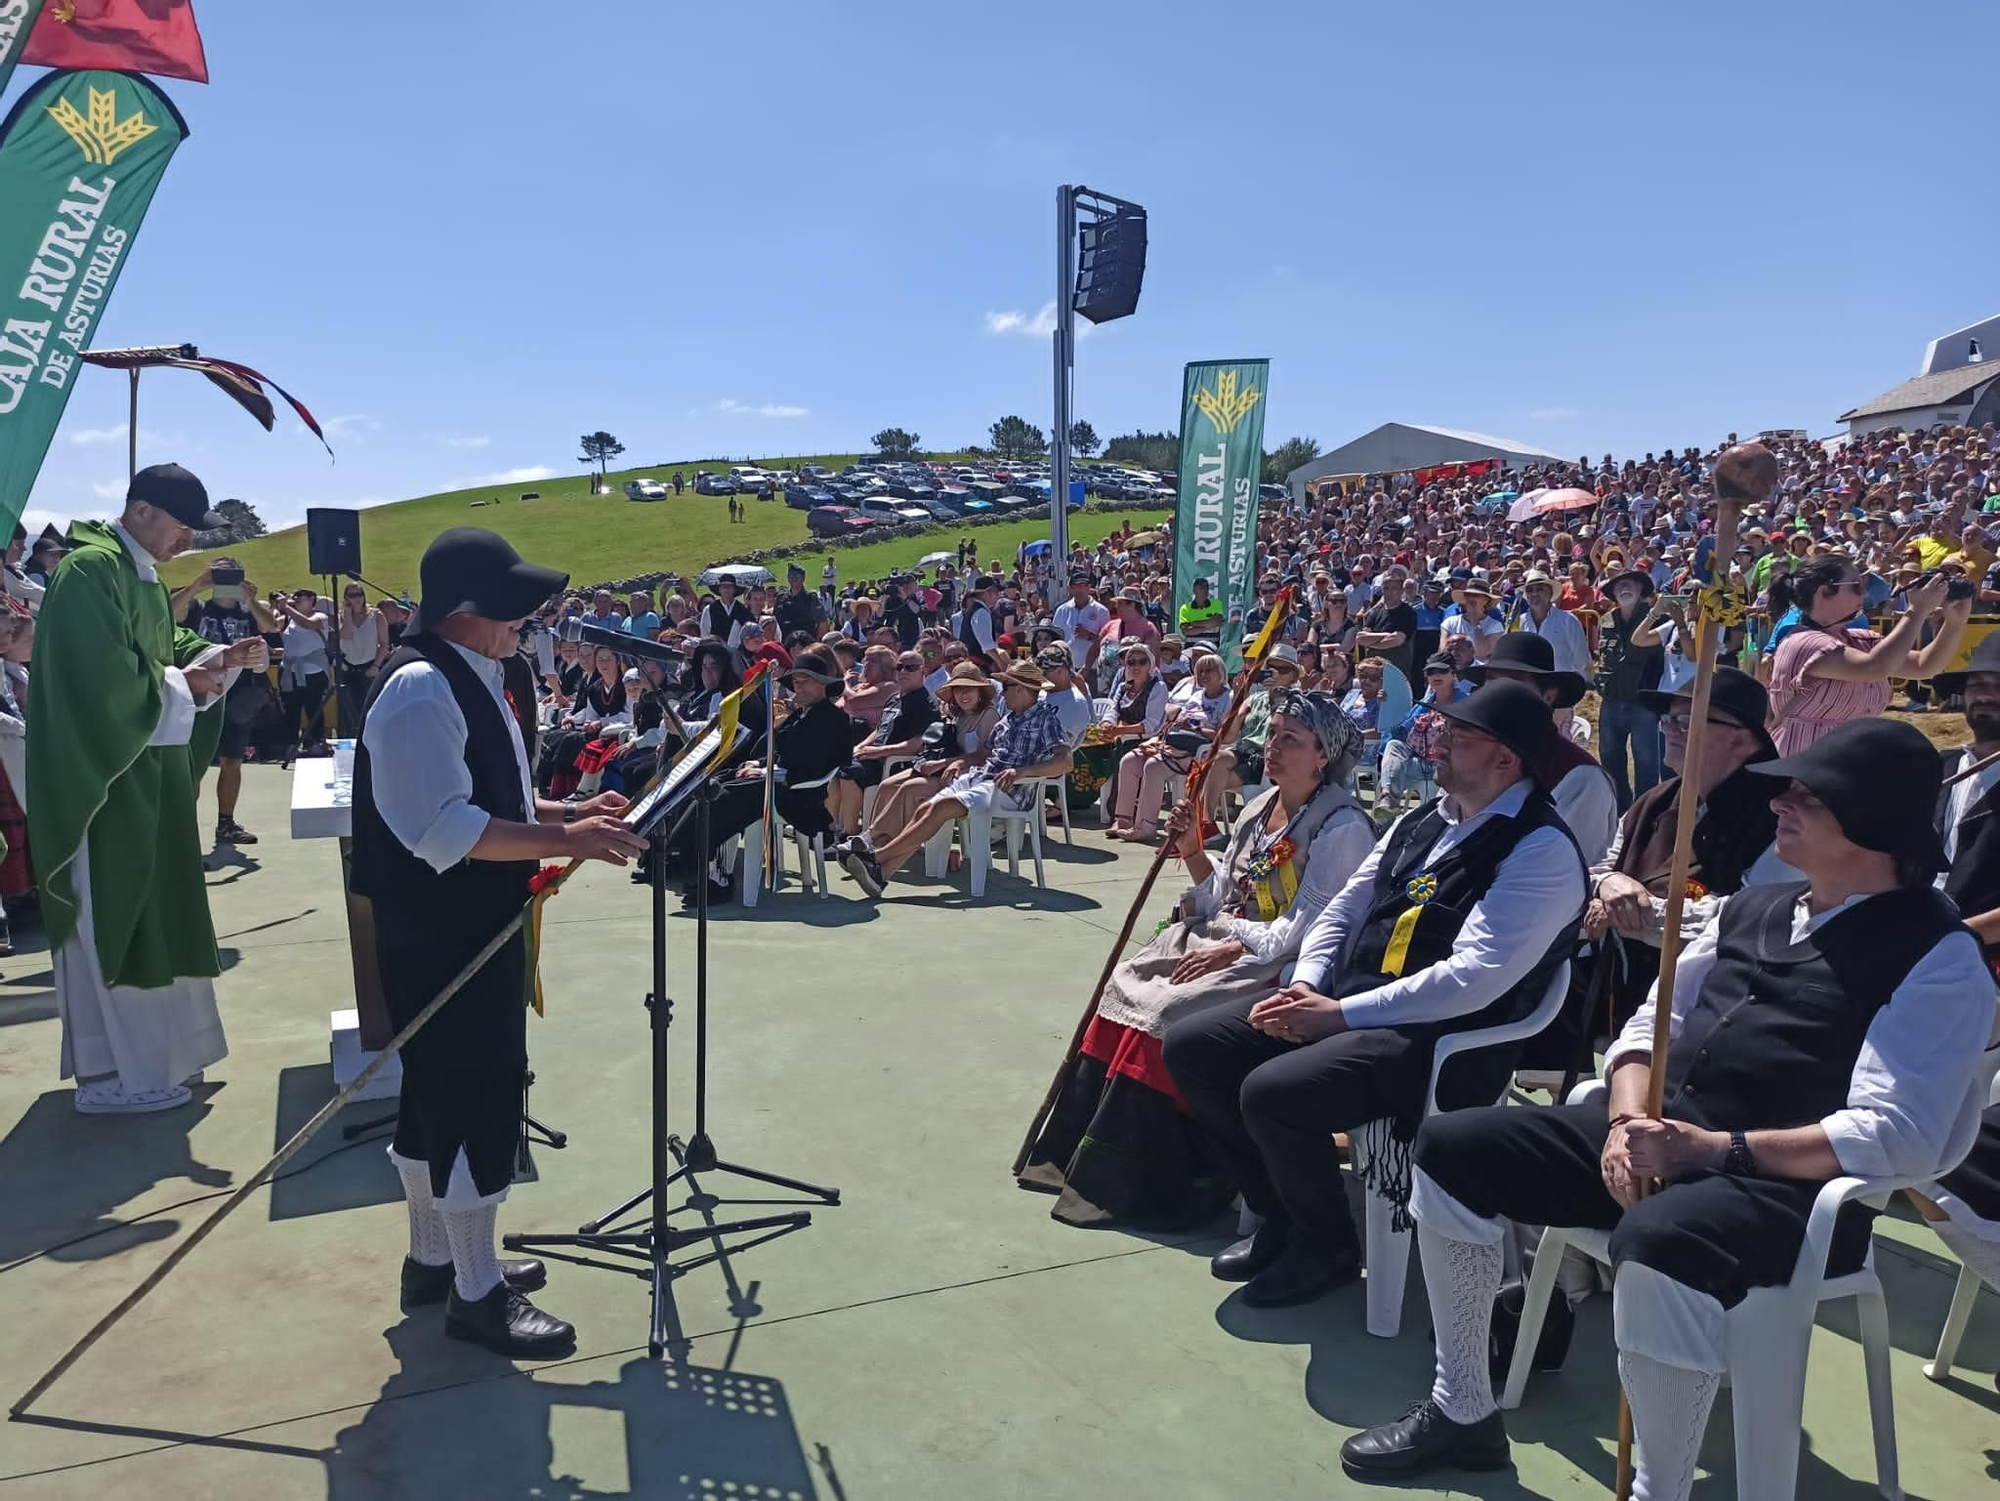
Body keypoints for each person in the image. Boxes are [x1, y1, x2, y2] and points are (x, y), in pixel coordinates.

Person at [1339, 718, 1994, 1494]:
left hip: (1787, 1192)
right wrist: (1623, 1121)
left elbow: (1897, 1134)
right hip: (1658, 1141)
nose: (1780, 802)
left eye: (1808, 796)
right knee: (1454, 1149)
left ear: (1874, 821)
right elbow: (1654, 1023)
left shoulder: (1937, 955)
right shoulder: (1761, 908)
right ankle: (1464, 1410)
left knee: (1657, 1239)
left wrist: (1709, 1151)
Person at [1162, 682, 1587, 1307]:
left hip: (1444, 1041)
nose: (1436, 742)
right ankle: (1276, 1212)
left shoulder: (1538, 848)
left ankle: (1325, 1246)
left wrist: (1337, 1016)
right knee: (1195, 1046)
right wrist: (1306, 985)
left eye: (1458, 736)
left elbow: (1472, 978)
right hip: (1354, 1009)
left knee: (1272, 1092)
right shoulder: (1423, 819)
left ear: (1507, 759)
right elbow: (1343, 907)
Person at [355, 526, 644, 1355]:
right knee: (474, 1096)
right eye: (515, 606)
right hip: (444, 934)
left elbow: (499, 797)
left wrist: (567, 816)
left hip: (469, 926)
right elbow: (446, 828)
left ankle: (433, 1260)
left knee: (435, 1093)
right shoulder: (419, 689)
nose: (531, 619)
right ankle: (475, 1293)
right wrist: (570, 843)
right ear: (467, 610)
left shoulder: (474, 676)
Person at [1021, 695, 1375, 1227]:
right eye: (1272, 734)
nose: (1272, 748)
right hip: (1230, 939)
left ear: (1324, 756)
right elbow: (1223, 898)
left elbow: (1310, 930)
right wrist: (1190, 849)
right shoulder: (1261, 807)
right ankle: (1074, 1157)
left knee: (1168, 1011)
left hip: (1284, 965)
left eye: (1289, 740)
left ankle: (1150, 1179)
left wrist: (1231, 942)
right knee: (1125, 985)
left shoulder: (1341, 827)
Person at [30, 464, 268, 1114]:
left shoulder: (135, 576)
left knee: (152, 914)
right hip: (100, 782)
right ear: (139, 511)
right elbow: (102, 680)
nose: (185, 541)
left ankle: (148, 1058)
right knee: (118, 913)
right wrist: (184, 683)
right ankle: (122, 1072)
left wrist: (218, 658)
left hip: (142, 776)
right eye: (180, 526)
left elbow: (164, 646)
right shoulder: (89, 572)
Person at [1582, 666, 1788, 1033]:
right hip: (1630, 995)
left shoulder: (1779, 816)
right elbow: (1601, 867)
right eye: (1669, 719)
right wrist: (1609, 886)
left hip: (1716, 1010)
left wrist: (1637, 914)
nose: (1669, 730)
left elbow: (1749, 918)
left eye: (1688, 720)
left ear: (1743, 740)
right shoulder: (1655, 801)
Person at [1908, 632, 2000, 1366]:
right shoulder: (1945, 768)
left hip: (1981, 972)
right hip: (1923, 952)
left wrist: (1948, 935)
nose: (1985, 694)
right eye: (1978, 684)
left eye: (1998, 686)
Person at [840, 661, 1071, 896]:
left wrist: (1022, 772)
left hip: (1009, 789)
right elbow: (984, 753)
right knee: (925, 808)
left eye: (1006, 686)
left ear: (1020, 688)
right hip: (980, 779)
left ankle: (875, 857)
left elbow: (1065, 761)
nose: (1002, 691)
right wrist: (960, 762)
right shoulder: (1007, 720)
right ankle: (880, 875)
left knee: (939, 805)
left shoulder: (1045, 719)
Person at [1768, 557, 1969, 754]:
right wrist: (1917, 611)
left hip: (1846, 764)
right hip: (1803, 767)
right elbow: (1875, 667)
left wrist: (1955, 622)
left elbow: (1923, 666)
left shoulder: (1857, 640)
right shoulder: (1801, 642)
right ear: (1824, 592)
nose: (1864, 593)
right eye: (1856, 586)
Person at [1467, 634, 1618, 865]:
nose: (1497, 694)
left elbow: (1569, 870)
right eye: (1492, 682)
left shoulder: (1582, 779)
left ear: (1548, 697)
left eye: (1512, 683)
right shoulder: (1473, 755)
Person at [175, 556, 282, 847]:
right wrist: (196, 585)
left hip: (237, 695)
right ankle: (184, 828)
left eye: (230, 575)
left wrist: (253, 600)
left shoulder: (248, 613)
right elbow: (169, 613)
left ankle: (226, 823)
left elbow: (271, 626)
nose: (225, 581)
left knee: (232, 761)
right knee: (193, 765)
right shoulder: (198, 608)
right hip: (200, 694)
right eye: (219, 574)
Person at [855, 663, 1003, 853]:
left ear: (980, 691)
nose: (963, 695)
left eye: (969, 689)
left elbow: (985, 755)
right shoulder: (955, 715)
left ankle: (888, 844)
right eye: (958, 690)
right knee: (887, 785)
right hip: (945, 770)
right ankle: (875, 839)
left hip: (967, 777)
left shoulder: (988, 715)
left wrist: (942, 763)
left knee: (910, 789)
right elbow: (937, 743)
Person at [1106, 648, 1231, 843]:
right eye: (1200, 671)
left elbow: (1225, 736)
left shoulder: (1228, 698)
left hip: (1199, 750)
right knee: (1130, 760)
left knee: (1153, 766)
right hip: (1173, 741)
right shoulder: (1197, 695)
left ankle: (1146, 826)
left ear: (1221, 673)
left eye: (1210, 670)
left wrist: (1197, 729)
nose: (1204, 675)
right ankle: (1123, 820)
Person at [828, 649, 938, 837]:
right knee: (834, 767)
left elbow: (916, 745)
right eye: (899, 667)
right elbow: (879, 730)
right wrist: (860, 748)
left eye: (910, 667)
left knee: (849, 772)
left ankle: (851, 833)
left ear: (924, 672)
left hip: (897, 764)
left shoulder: (924, 703)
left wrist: (877, 752)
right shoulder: (894, 698)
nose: (903, 672)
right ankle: (830, 830)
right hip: (875, 757)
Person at [1595, 564, 1668, 809]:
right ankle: (1619, 810)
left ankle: (1644, 812)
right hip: (1611, 700)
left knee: (1647, 763)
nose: (1624, 587)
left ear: (1641, 589)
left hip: (1644, 703)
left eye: (1630, 583)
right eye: (1618, 584)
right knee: (1610, 759)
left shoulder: (1659, 618)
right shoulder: (1607, 620)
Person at [275, 588, 334, 765]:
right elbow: (272, 626)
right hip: (290, 670)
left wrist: (287, 607)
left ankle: (314, 742)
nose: (296, 599)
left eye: (300, 597)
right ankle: (291, 743)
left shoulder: (320, 617)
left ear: (311, 599)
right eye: (295, 596)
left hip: (313, 672)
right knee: (291, 709)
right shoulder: (288, 619)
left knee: (313, 707)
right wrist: (277, 607)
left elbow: (308, 624)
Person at [1509, 568, 1591, 676]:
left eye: (1540, 589)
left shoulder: (1568, 621)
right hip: (1530, 686)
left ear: (1550, 593)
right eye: (1530, 590)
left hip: (1562, 686)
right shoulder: (1519, 622)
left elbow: (1582, 659)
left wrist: (1580, 686)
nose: (1534, 593)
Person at [335, 581, 389, 738]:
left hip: (368, 668)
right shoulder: (340, 616)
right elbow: (346, 636)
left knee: (370, 709)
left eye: (359, 594)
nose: (357, 598)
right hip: (348, 668)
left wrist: (376, 665)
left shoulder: (376, 615)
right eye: (352, 595)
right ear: (346, 598)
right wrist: (347, 613)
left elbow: (384, 643)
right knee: (349, 713)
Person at [1356, 574, 1418, 684]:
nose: (1389, 592)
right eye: (1386, 588)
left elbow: (1397, 640)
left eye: (1394, 588)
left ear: (1401, 591)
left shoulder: (1408, 613)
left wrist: (1372, 643)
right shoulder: (1375, 612)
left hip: (1397, 672)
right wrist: (1386, 635)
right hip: (1372, 673)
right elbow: (1361, 638)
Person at [1054, 572, 1109, 674]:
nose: (1079, 590)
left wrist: (1089, 636)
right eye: (1075, 586)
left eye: (1082, 586)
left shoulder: (1101, 611)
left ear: (1089, 587)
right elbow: (1055, 640)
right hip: (1067, 667)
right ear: (1070, 589)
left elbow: (1107, 643)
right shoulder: (1062, 611)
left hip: (1093, 668)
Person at [700, 577, 753, 648]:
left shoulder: (743, 610)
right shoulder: (709, 609)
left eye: (730, 586)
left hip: (738, 653)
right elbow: (705, 634)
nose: (726, 589)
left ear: (734, 589)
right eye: (723, 586)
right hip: (715, 650)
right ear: (719, 589)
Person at [1177, 575, 1224, 641]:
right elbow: (1186, 631)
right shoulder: (1184, 608)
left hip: (1212, 647)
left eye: (1206, 588)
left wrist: (1193, 624)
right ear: (1194, 591)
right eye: (1201, 588)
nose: (1204, 591)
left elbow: (1216, 621)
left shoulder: (1216, 603)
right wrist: (1209, 627)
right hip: (1191, 647)